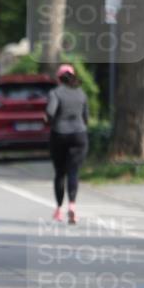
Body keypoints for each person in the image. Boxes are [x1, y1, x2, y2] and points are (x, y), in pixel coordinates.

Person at [45, 63, 89, 224]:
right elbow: (86, 117)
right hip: (79, 135)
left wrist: (48, 121)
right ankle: (72, 206)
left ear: (59, 78)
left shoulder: (55, 93)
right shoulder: (81, 93)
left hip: (59, 135)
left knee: (60, 173)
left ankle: (58, 210)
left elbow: (50, 113)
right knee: (73, 172)